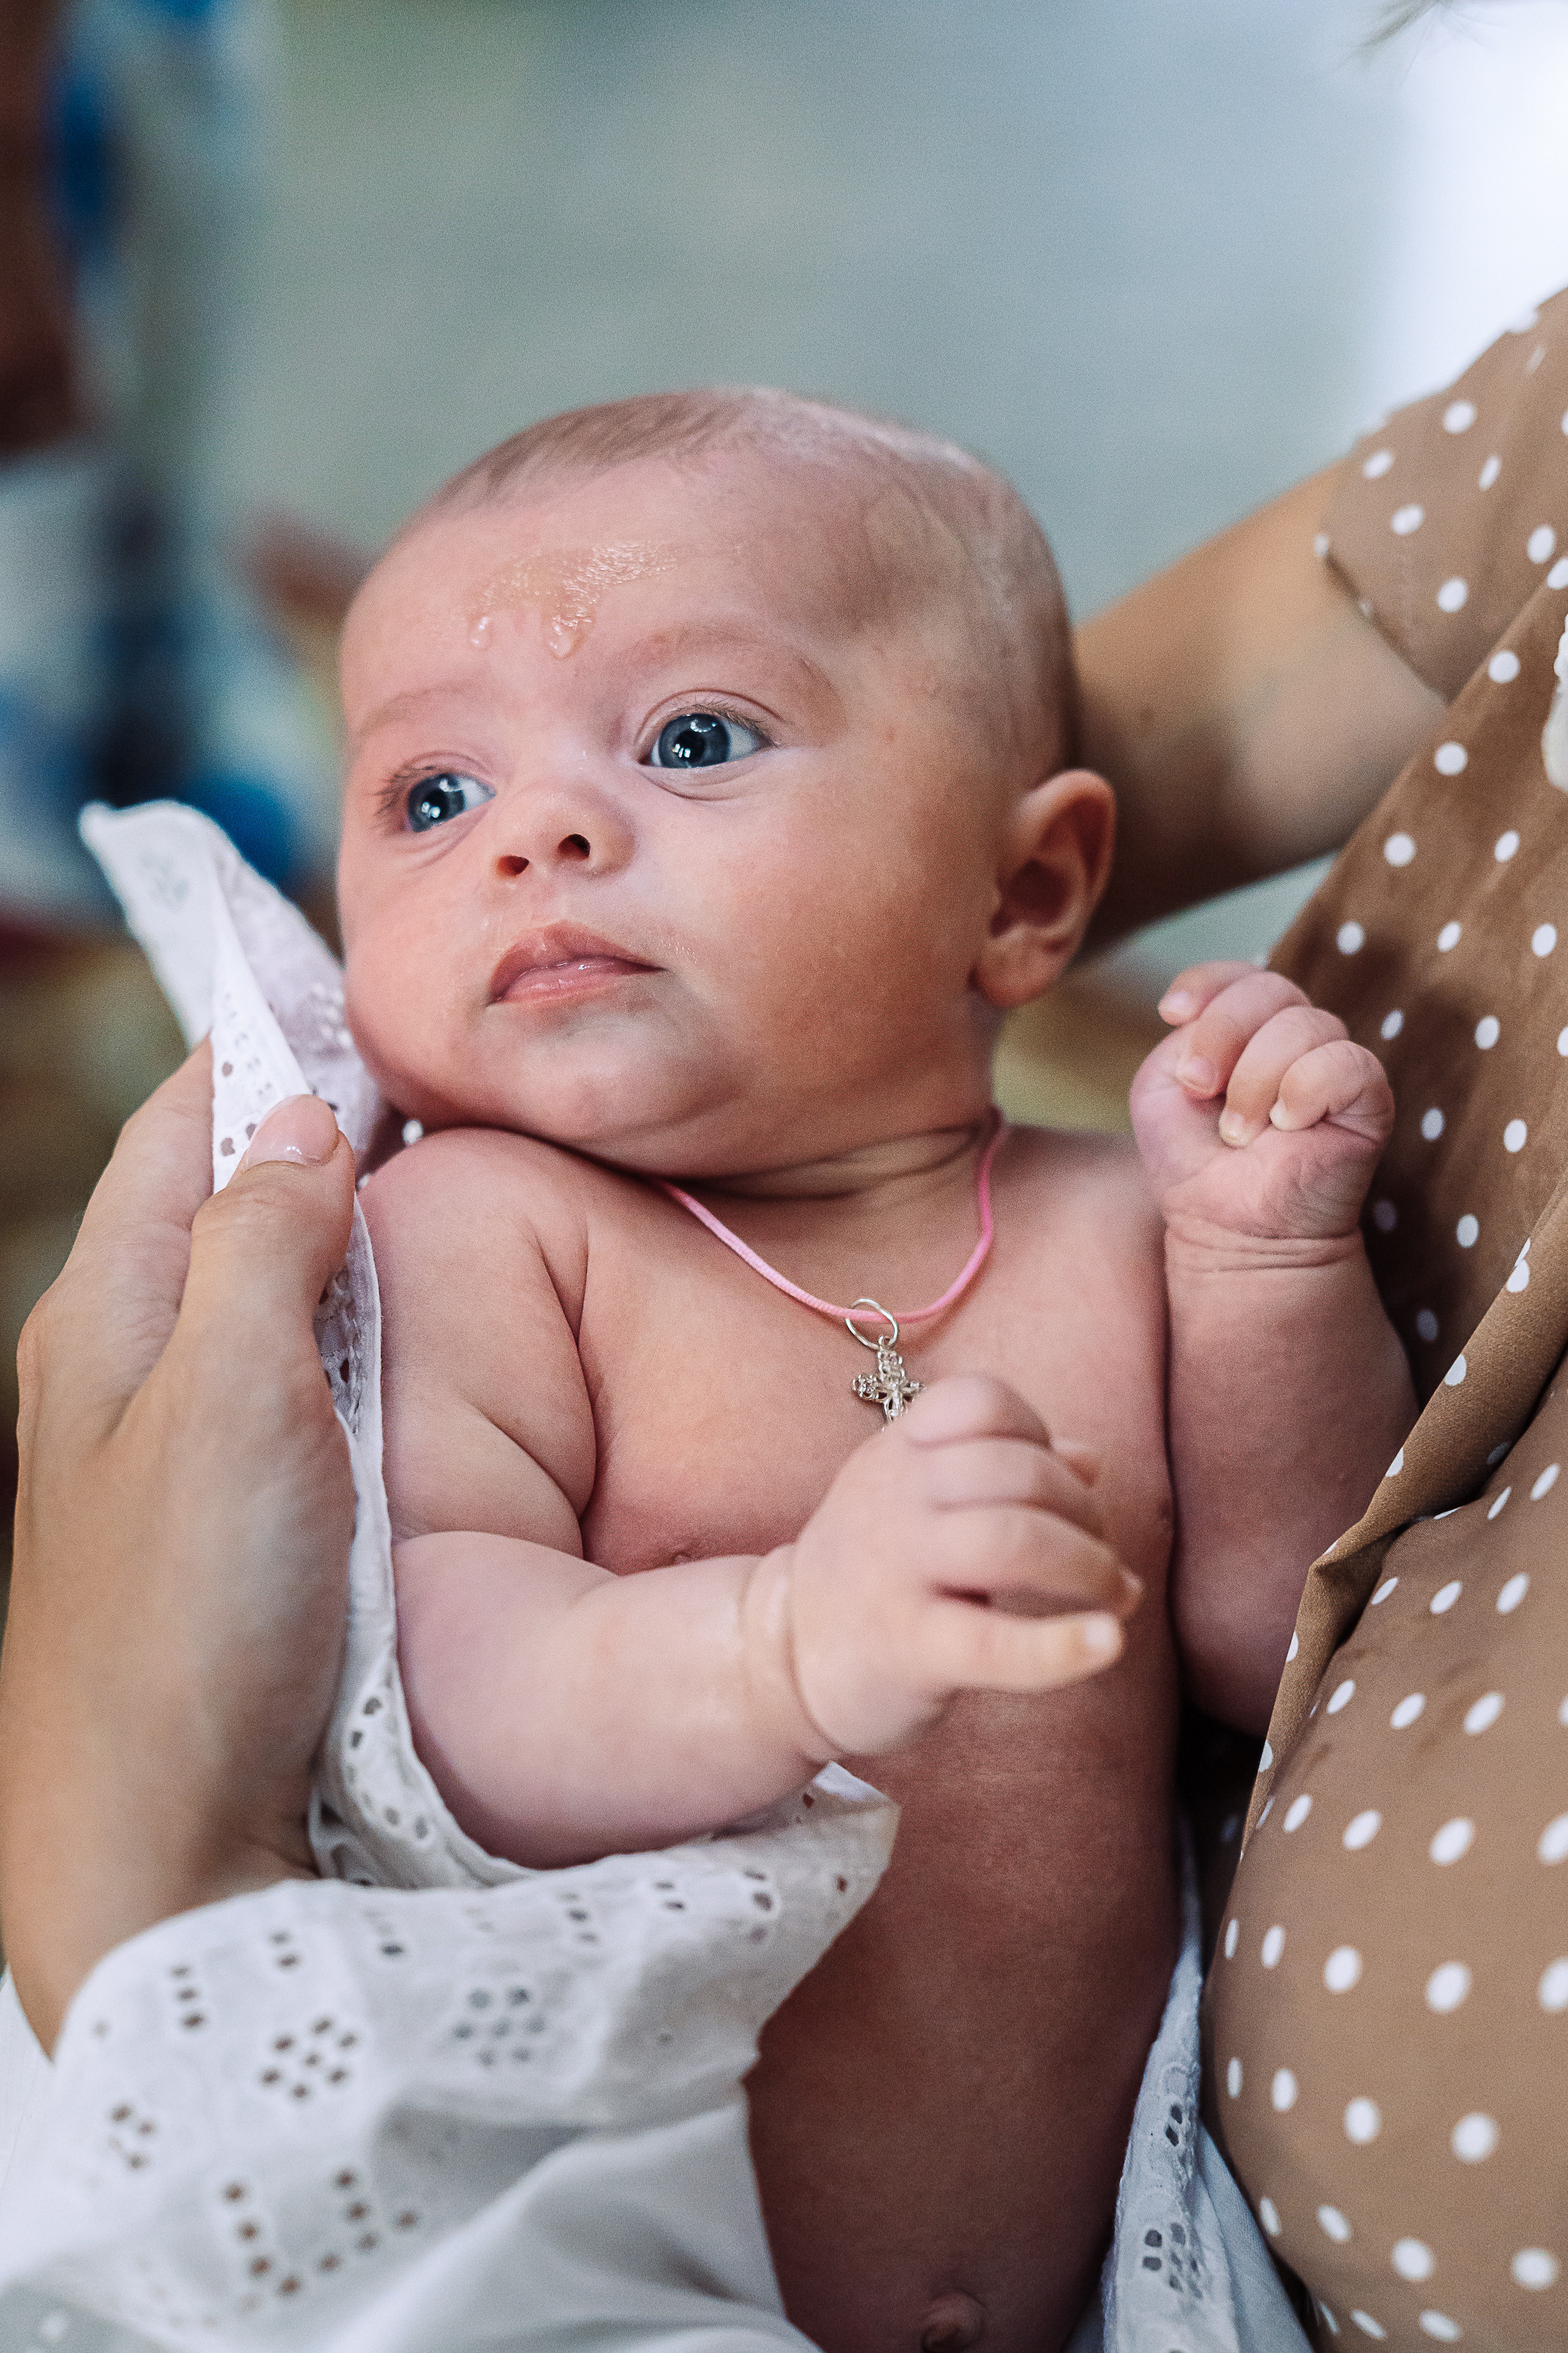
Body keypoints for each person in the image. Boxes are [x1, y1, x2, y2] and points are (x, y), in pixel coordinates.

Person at [10, 291, 1568, 2346]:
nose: (539, 836)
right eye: (433, 796)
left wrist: (1272, 1272)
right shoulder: (486, 1231)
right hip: (589, 2262)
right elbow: (452, 1689)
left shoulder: (1119, 1218)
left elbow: (1274, 1647)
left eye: (692, 740)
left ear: (1027, 897)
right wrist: (776, 1647)